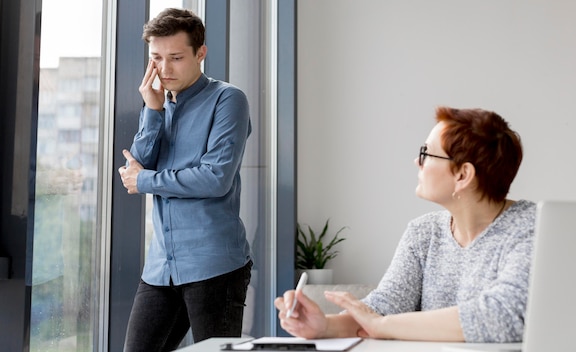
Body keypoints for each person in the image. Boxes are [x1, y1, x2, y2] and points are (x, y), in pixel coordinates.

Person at [275, 106, 536, 343]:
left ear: (463, 174)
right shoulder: (423, 232)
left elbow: (501, 317)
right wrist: (324, 326)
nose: (417, 162)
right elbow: (382, 307)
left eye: (426, 153)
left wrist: (382, 325)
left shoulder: (532, 228)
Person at [118, 8, 252, 351]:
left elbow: (214, 178)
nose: (164, 69)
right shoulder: (159, 104)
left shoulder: (228, 99)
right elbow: (139, 164)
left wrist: (147, 180)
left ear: (200, 53)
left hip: (215, 266)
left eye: (175, 58)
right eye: (156, 58)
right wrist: (152, 110)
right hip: (161, 266)